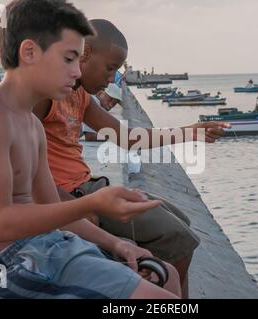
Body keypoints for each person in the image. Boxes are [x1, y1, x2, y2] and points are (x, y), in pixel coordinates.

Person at [0, 0, 181, 299]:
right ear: (29, 52)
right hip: (5, 270)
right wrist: (92, 204)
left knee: (165, 275)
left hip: (45, 248)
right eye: (69, 59)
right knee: (159, 300)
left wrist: (117, 244)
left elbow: (53, 207)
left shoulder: (30, 124)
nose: (75, 72)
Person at [34, 19, 229, 298]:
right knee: (179, 239)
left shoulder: (80, 97)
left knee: (181, 220)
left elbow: (128, 138)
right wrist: (74, 207)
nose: (111, 79)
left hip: (89, 185)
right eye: (110, 68)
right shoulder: (47, 96)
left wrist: (190, 133)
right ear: (85, 52)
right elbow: (27, 172)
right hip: (73, 194)